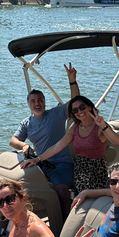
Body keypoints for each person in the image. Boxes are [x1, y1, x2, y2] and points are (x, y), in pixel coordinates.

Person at [10, 63, 80, 216]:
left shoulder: (56, 113)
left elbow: (76, 102)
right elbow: (13, 140)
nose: (37, 104)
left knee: (61, 191)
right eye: (33, 101)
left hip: (60, 163)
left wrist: (72, 81)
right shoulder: (27, 123)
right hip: (40, 163)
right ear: (28, 104)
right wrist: (23, 145)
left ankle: (67, 226)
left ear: (44, 101)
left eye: (40, 100)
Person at [23, 95, 119, 193]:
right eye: (75, 110)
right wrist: (37, 159)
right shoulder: (75, 127)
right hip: (79, 170)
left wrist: (103, 126)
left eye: (82, 107)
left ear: (90, 107)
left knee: (83, 196)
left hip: (96, 172)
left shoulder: (100, 126)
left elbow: (118, 142)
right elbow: (57, 146)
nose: (79, 112)